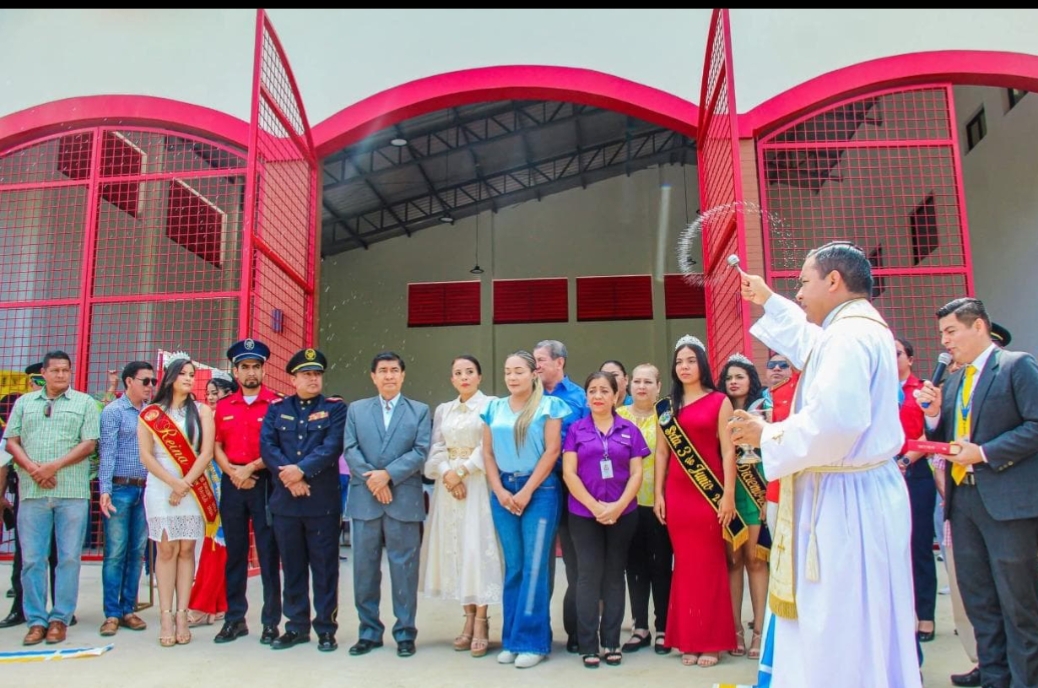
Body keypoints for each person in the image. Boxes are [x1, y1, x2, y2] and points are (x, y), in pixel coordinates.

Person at [730, 241, 920, 687]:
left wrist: (767, 434)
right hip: (856, 493)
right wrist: (767, 299)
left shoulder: (849, 336)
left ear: (833, 280)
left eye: (802, 283)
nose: (797, 293)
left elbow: (836, 424)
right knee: (852, 617)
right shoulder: (853, 328)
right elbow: (809, 344)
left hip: (845, 502)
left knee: (839, 619)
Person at [917, 298, 1038, 688]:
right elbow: (946, 437)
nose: (945, 341)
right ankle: (993, 676)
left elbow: (1035, 424)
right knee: (979, 600)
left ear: (979, 327)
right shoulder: (954, 380)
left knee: (1018, 602)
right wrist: (933, 414)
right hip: (964, 502)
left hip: (1007, 503)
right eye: (942, 333)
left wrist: (984, 453)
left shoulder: (1016, 366)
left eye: (951, 331)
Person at [4, 351, 101, 646]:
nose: (61, 375)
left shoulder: (84, 403)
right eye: (55, 370)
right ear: (43, 374)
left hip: (71, 492)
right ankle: (36, 620)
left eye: (65, 370)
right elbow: (11, 442)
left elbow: (89, 444)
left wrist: (53, 467)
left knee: (68, 558)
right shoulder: (24, 403)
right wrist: (33, 469)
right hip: (32, 492)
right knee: (32, 559)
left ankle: (60, 618)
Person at [654, 335, 738, 668]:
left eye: (690, 360)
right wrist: (658, 494)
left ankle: (712, 641)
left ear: (702, 364)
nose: (684, 367)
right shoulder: (666, 407)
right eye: (679, 362)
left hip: (709, 492)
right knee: (686, 567)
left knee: (710, 565)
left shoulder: (720, 401)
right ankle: (688, 639)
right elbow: (662, 453)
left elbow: (728, 450)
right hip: (678, 493)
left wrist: (728, 494)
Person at [483, 350, 570, 669]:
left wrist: (527, 490)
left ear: (534, 374)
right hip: (503, 490)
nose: (512, 377)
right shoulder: (493, 408)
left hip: (540, 491)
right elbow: (487, 453)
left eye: (519, 371)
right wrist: (499, 490)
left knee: (535, 568)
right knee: (515, 567)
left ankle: (533, 642)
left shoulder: (549, 406)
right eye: (508, 371)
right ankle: (512, 639)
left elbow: (552, 451)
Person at [343, 351, 430, 658]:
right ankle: (368, 631)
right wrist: (374, 480)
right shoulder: (356, 410)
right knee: (364, 569)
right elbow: (350, 448)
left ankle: (405, 632)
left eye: (394, 370)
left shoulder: (419, 411)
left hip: (402, 498)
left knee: (404, 569)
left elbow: (420, 451)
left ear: (403, 375)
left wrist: (388, 475)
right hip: (365, 498)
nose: (389, 376)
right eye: (383, 370)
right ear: (373, 376)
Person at [261, 347, 347, 652]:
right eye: (307, 374)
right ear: (293, 379)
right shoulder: (277, 409)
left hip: (321, 503)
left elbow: (332, 446)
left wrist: (300, 471)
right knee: (293, 567)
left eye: (317, 374)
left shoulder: (335, 409)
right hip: (286, 502)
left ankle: (326, 628)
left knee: (324, 569)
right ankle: (296, 626)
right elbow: (268, 447)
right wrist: (291, 476)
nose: (313, 379)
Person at [562, 371, 646, 668]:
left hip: (623, 514)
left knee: (614, 574)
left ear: (615, 396)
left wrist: (618, 506)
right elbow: (569, 473)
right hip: (584, 514)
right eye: (592, 391)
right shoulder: (576, 430)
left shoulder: (629, 430)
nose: (597, 396)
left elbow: (637, 473)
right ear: (586, 397)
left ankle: (611, 641)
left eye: (604, 391)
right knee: (587, 576)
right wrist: (595, 506)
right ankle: (588, 644)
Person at [421, 355, 501, 658]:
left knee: (476, 549)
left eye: (469, 372)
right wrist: (447, 474)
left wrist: (463, 471)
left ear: (479, 377)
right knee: (456, 549)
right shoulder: (444, 409)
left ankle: (481, 621)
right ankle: (466, 617)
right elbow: (437, 447)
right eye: (458, 373)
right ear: (452, 379)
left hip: (477, 482)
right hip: (449, 488)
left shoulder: (491, 405)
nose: (464, 377)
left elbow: (488, 446)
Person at [138, 354, 216, 647]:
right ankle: (166, 615)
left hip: (192, 487)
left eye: (192, 374)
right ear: (170, 377)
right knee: (166, 549)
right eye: (183, 373)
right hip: (161, 487)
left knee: (186, 550)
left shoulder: (202, 411)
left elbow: (206, 453)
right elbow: (146, 456)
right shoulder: (151, 414)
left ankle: (183, 613)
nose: (188, 378)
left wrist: (184, 484)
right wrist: (173, 484)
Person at [213, 339, 283, 645]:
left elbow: (279, 446)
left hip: (265, 482)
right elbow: (216, 445)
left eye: (256, 366)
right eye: (245, 367)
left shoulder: (276, 405)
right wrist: (232, 472)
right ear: (235, 371)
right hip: (233, 483)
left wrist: (250, 468)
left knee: (268, 553)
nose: (251, 372)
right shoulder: (224, 406)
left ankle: (270, 622)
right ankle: (235, 619)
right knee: (235, 554)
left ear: (263, 370)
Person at [532, 340, 587, 653]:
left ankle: (577, 631)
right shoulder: (528, 396)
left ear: (559, 362)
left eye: (541, 360)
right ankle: (537, 632)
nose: (536, 366)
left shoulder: (580, 398)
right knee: (538, 563)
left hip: (570, 486)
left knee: (575, 562)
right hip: (536, 487)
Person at [719, 353, 771, 659]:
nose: (733, 382)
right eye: (728, 378)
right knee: (733, 561)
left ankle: (759, 630)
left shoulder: (765, 410)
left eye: (739, 376)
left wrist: (770, 494)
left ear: (751, 379)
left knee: (756, 560)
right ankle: (734, 629)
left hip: (757, 491)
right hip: (728, 494)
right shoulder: (718, 410)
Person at [97, 361, 155, 637]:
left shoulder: (153, 413)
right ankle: (112, 613)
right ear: (129, 381)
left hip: (146, 489)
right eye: (145, 381)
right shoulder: (113, 411)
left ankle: (129, 608)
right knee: (115, 553)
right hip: (120, 489)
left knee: (137, 552)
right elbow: (107, 452)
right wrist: (104, 489)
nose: (150, 386)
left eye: (153, 381)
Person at [617, 364, 672, 655]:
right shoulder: (618, 416)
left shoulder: (667, 417)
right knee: (634, 566)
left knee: (661, 566)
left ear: (658, 387)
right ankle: (640, 627)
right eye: (637, 381)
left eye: (648, 382)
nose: (641, 386)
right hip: (625, 504)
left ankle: (663, 626)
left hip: (659, 502)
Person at [185, 372, 237, 628]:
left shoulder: (230, 417)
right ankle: (217, 604)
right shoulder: (205, 417)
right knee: (213, 549)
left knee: (217, 549)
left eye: (216, 392)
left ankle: (203, 605)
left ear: (230, 393)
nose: (211, 397)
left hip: (227, 486)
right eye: (208, 393)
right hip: (206, 489)